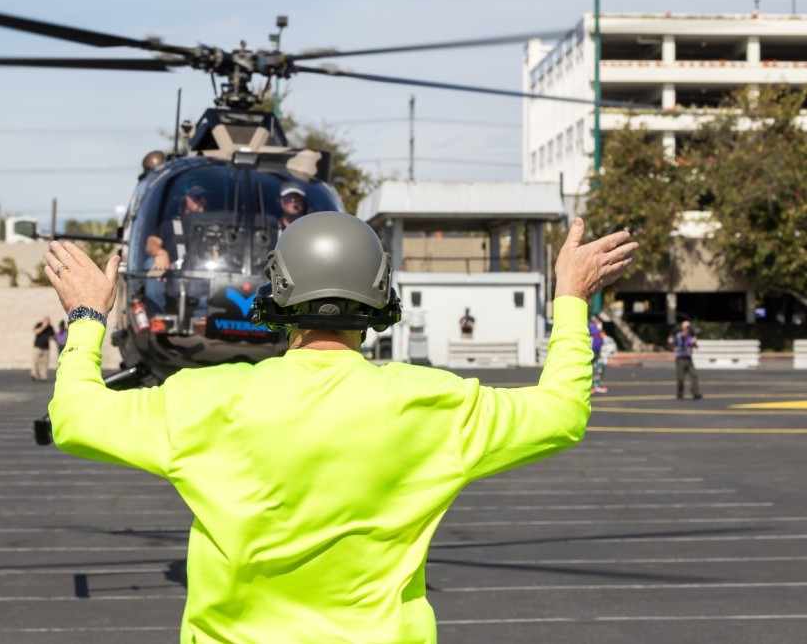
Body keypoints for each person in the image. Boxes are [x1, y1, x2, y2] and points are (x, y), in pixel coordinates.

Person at [42, 214, 637, 643]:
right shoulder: (433, 403)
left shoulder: (203, 399)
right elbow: (562, 413)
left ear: (276, 293)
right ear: (378, 300)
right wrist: (570, 299)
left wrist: (89, 316)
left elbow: (74, 419)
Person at [144, 184, 208, 312]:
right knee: (151, 263)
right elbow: (151, 243)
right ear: (186, 200)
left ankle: (201, 316)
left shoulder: (213, 227)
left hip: (200, 272)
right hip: (172, 272)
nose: (201, 200)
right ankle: (157, 313)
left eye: (203, 197)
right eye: (196, 197)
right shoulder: (170, 225)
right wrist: (160, 253)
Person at [669, 319, 702, 400]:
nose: (688, 328)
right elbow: (673, 343)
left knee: (694, 376)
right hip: (680, 359)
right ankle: (680, 393)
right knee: (680, 378)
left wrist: (695, 340)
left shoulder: (690, 336)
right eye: (687, 326)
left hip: (688, 358)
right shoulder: (678, 335)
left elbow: (694, 346)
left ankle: (695, 393)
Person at [588, 314, 608, 393]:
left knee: (601, 366)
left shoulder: (597, 327)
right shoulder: (591, 326)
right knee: (590, 368)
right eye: (598, 320)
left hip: (598, 351)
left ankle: (597, 383)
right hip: (592, 350)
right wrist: (600, 333)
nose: (599, 321)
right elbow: (597, 334)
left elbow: (601, 336)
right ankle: (591, 385)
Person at [31, 316, 55, 381]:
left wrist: (50, 337)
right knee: (36, 361)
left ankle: (43, 376)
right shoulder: (39, 325)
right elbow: (36, 332)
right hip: (38, 346)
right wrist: (43, 327)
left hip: (46, 347)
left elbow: (53, 336)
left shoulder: (50, 328)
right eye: (46, 321)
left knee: (44, 362)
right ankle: (34, 374)